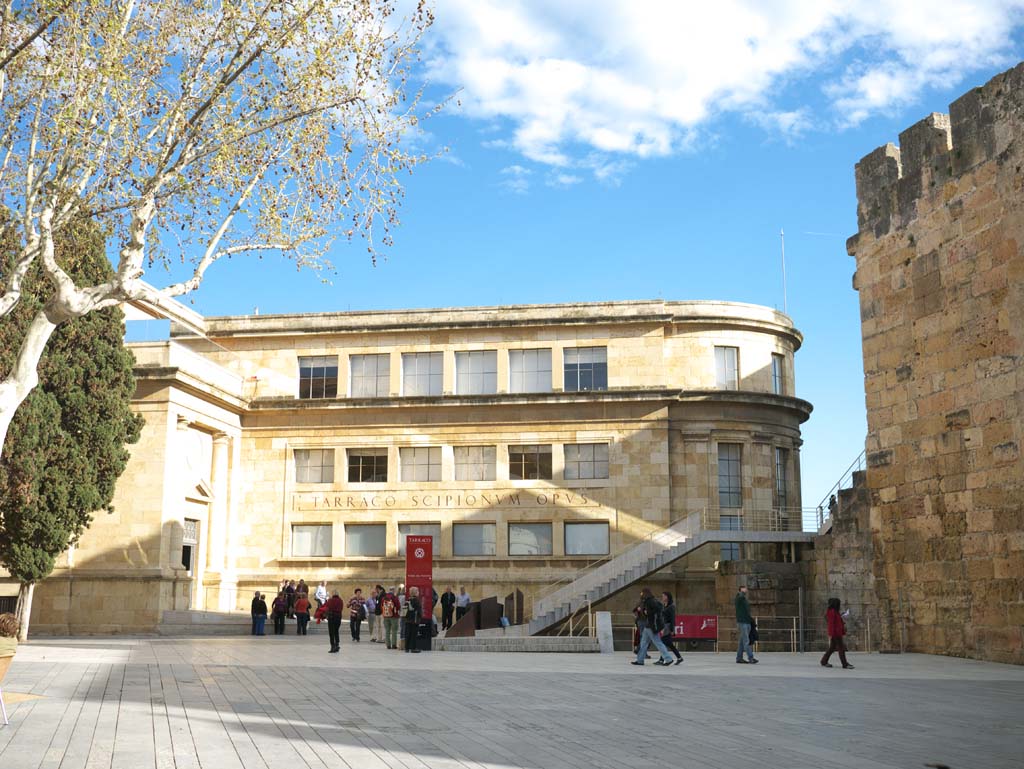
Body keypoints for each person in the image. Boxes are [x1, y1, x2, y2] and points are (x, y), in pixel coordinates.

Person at [630, 587, 674, 666]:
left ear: (645, 593)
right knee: (643, 643)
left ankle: (668, 659)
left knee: (658, 642)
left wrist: (647, 612)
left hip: (651, 625)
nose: (641, 595)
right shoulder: (650, 600)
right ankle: (640, 660)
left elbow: (658, 609)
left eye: (642, 593)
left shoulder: (650, 601)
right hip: (648, 625)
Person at [821, 598, 855, 669]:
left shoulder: (834, 611)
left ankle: (824, 661)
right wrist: (833, 633)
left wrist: (841, 617)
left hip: (836, 632)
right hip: (836, 633)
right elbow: (832, 623)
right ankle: (844, 664)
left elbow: (835, 621)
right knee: (841, 648)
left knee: (832, 648)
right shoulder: (832, 612)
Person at [735, 585, 758, 664]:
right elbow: (741, 595)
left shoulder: (744, 599)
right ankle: (751, 657)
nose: (746, 589)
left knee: (742, 641)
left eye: (746, 588)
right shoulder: (739, 598)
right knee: (746, 641)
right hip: (742, 622)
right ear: (740, 590)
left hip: (747, 622)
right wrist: (741, 592)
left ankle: (739, 658)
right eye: (744, 589)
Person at [660, 592, 684, 665]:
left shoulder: (671, 606)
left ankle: (662, 659)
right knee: (668, 644)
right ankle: (679, 658)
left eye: (663, 596)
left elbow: (673, 618)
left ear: (667, 597)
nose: (662, 597)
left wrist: (672, 629)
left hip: (668, 626)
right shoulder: (664, 605)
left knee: (664, 642)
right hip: (664, 625)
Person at [404, 586, 422, 653]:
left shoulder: (408, 600)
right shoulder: (417, 600)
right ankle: (413, 648)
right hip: (414, 620)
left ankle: (407, 648)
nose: (418, 592)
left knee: (408, 634)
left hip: (407, 620)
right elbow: (419, 611)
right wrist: (420, 616)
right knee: (414, 634)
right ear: (415, 592)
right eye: (417, 591)